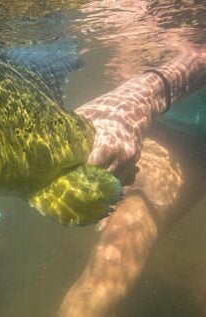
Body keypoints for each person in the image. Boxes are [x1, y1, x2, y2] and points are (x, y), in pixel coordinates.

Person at [59, 48, 206, 317]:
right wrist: (133, 103)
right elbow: (199, 57)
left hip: (184, 132)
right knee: (119, 245)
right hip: (177, 134)